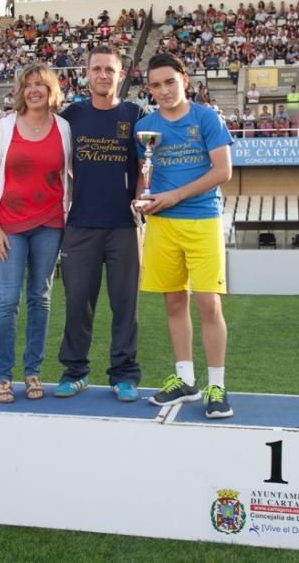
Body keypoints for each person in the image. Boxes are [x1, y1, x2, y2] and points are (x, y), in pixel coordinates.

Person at [133, 52, 234, 419]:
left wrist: (174, 196)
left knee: (208, 304)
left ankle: (217, 385)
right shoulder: (145, 126)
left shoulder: (206, 118)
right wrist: (143, 198)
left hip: (202, 220)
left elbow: (223, 171)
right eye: (156, 85)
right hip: (161, 225)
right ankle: (186, 380)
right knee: (174, 304)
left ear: (184, 80)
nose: (163, 90)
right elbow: (147, 171)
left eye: (169, 82)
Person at [54, 45, 144, 402]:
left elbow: (143, 167)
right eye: (97, 69)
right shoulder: (71, 116)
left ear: (121, 75)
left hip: (123, 225)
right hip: (79, 225)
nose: (103, 75)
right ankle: (75, 371)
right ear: (87, 74)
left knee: (125, 305)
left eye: (110, 69)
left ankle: (124, 375)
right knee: (78, 303)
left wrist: (140, 201)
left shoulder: (135, 114)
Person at [0, 64, 72, 404]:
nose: (34, 90)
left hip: (49, 224)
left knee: (40, 299)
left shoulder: (63, 128)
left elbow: (70, 178)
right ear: (21, 91)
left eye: (41, 84)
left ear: (51, 90)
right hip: (9, 227)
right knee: (7, 302)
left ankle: (33, 371)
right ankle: (3, 377)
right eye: (28, 85)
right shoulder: (5, 127)